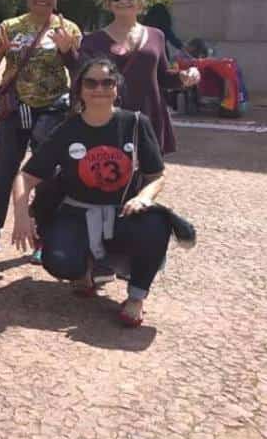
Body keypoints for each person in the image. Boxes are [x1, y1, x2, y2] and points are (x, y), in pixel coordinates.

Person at [11, 58, 173, 327]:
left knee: (157, 223)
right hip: (77, 212)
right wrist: (21, 214)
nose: (100, 88)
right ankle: (84, 269)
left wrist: (144, 197)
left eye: (107, 82)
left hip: (123, 212)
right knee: (58, 261)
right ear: (80, 89)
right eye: (91, 83)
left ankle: (136, 297)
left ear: (116, 88)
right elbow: (25, 176)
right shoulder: (68, 129)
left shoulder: (135, 123)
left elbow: (157, 176)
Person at [0, 0, 82, 262]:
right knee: (5, 171)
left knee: (46, 174)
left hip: (53, 109)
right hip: (16, 108)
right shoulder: (11, 26)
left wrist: (66, 50)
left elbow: (79, 70)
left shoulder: (69, 29)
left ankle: (43, 235)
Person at [78, 0, 199, 154]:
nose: (123, 0)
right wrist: (67, 53)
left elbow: (163, 77)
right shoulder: (93, 41)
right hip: (108, 119)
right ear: (109, 3)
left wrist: (184, 76)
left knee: (150, 170)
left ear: (141, 1)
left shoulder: (156, 36)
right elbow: (81, 80)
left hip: (149, 117)